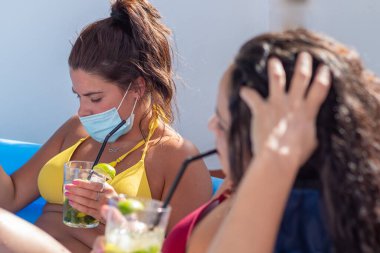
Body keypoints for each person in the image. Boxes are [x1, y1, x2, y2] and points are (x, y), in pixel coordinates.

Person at [93, 28, 380, 253]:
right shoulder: (238, 182)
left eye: (223, 122)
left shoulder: (300, 217)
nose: (211, 126)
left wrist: (274, 158)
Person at [0, 0, 212, 252]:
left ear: (137, 87)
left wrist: (117, 211)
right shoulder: (75, 130)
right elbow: (9, 197)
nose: (82, 110)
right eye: (78, 96)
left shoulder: (177, 157)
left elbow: (182, 248)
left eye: (95, 98)